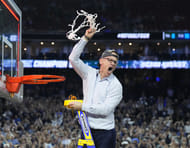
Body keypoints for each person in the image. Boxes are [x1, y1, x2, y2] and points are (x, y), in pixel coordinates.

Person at [68, 28, 123, 148]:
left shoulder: (116, 85)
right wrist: (85, 38)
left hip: (105, 133)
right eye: (110, 60)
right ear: (101, 61)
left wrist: (82, 106)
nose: (113, 64)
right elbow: (73, 58)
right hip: (86, 129)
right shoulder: (89, 73)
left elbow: (105, 110)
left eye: (115, 62)